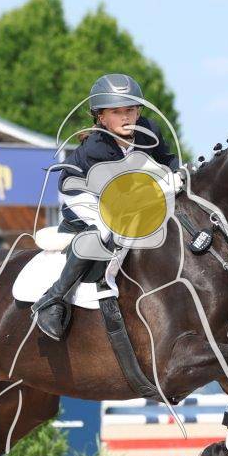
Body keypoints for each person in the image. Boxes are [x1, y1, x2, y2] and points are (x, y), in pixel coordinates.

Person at [32, 73, 178, 340]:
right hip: (82, 192)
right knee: (103, 229)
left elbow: (168, 161)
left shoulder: (150, 130)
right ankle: (53, 299)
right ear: (101, 117)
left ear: (138, 112)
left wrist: (179, 176)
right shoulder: (97, 148)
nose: (125, 117)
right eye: (116, 112)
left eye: (130, 110)